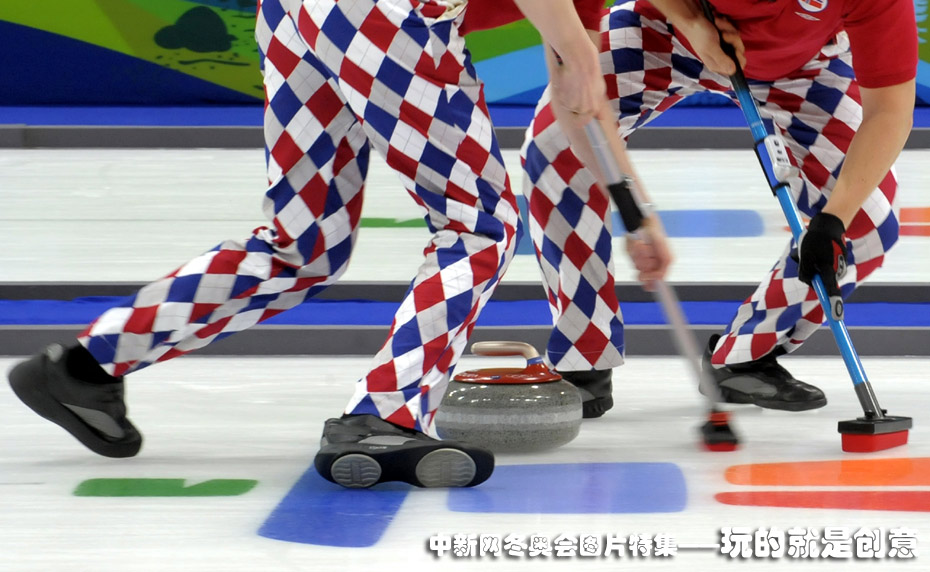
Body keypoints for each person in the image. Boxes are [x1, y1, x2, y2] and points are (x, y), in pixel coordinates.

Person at [6, 0, 667, 489]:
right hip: (385, 17)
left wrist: (635, 214)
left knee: (302, 244)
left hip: (296, 15)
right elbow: (577, 79)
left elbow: (575, 100)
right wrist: (582, 56)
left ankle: (83, 368)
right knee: (479, 226)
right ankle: (381, 417)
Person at [521, 0, 917, 415]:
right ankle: (583, 357)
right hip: (666, 29)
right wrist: (690, 21)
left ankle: (745, 355)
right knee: (555, 142)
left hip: (801, 66)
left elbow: (890, 109)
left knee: (867, 223)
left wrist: (833, 220)